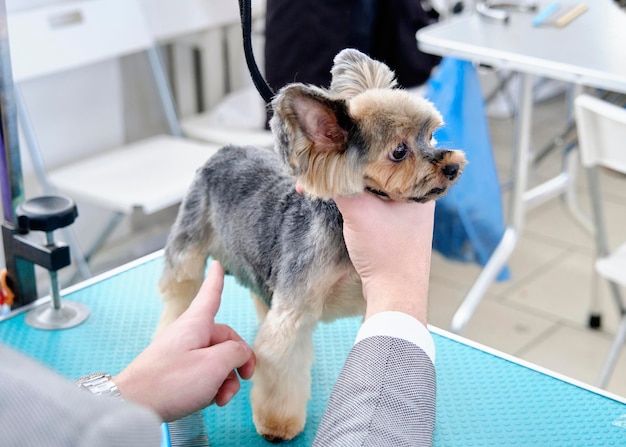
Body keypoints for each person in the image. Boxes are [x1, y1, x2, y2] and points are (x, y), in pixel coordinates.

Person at [0, 191, 436, 446]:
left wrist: (125, 391)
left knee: (271, 287)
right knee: (189, 279)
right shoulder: (96, 434)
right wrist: (400, 292)